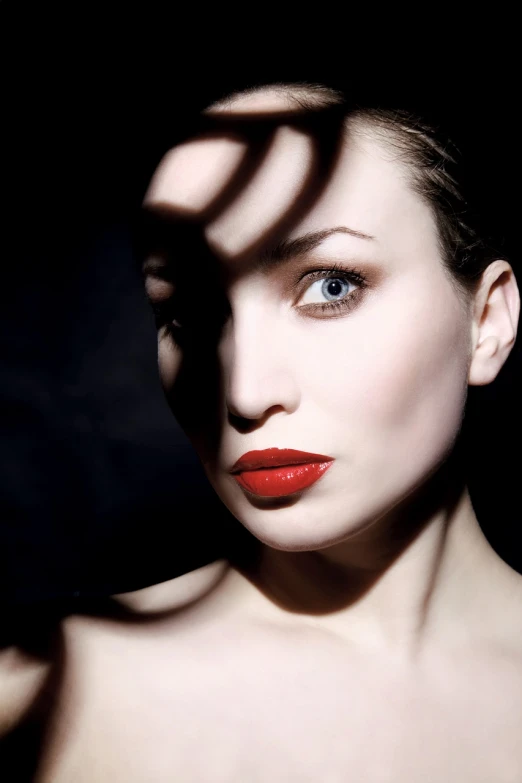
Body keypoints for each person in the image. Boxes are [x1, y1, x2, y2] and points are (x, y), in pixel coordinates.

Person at [3, 80, 522, 781]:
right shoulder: (39, 687)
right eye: (188, 314)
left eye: (331, 285)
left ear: (486, 321)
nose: (245, 393)